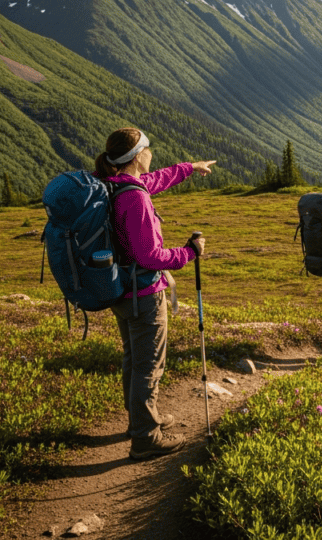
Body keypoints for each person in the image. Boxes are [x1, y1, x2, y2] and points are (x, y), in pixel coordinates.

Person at [95, 127, 216, 460]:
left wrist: (190, 168)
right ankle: (145, 438)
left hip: (122, 289)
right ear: (138, 156)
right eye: (149, 149)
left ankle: (140, 420)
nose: (152, 154)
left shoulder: (116, 185)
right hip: (143, 292)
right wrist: (190, 251)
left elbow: (156, 180)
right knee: (148, 365)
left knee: (134, 359)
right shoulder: (134, 198)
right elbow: (150, 255)